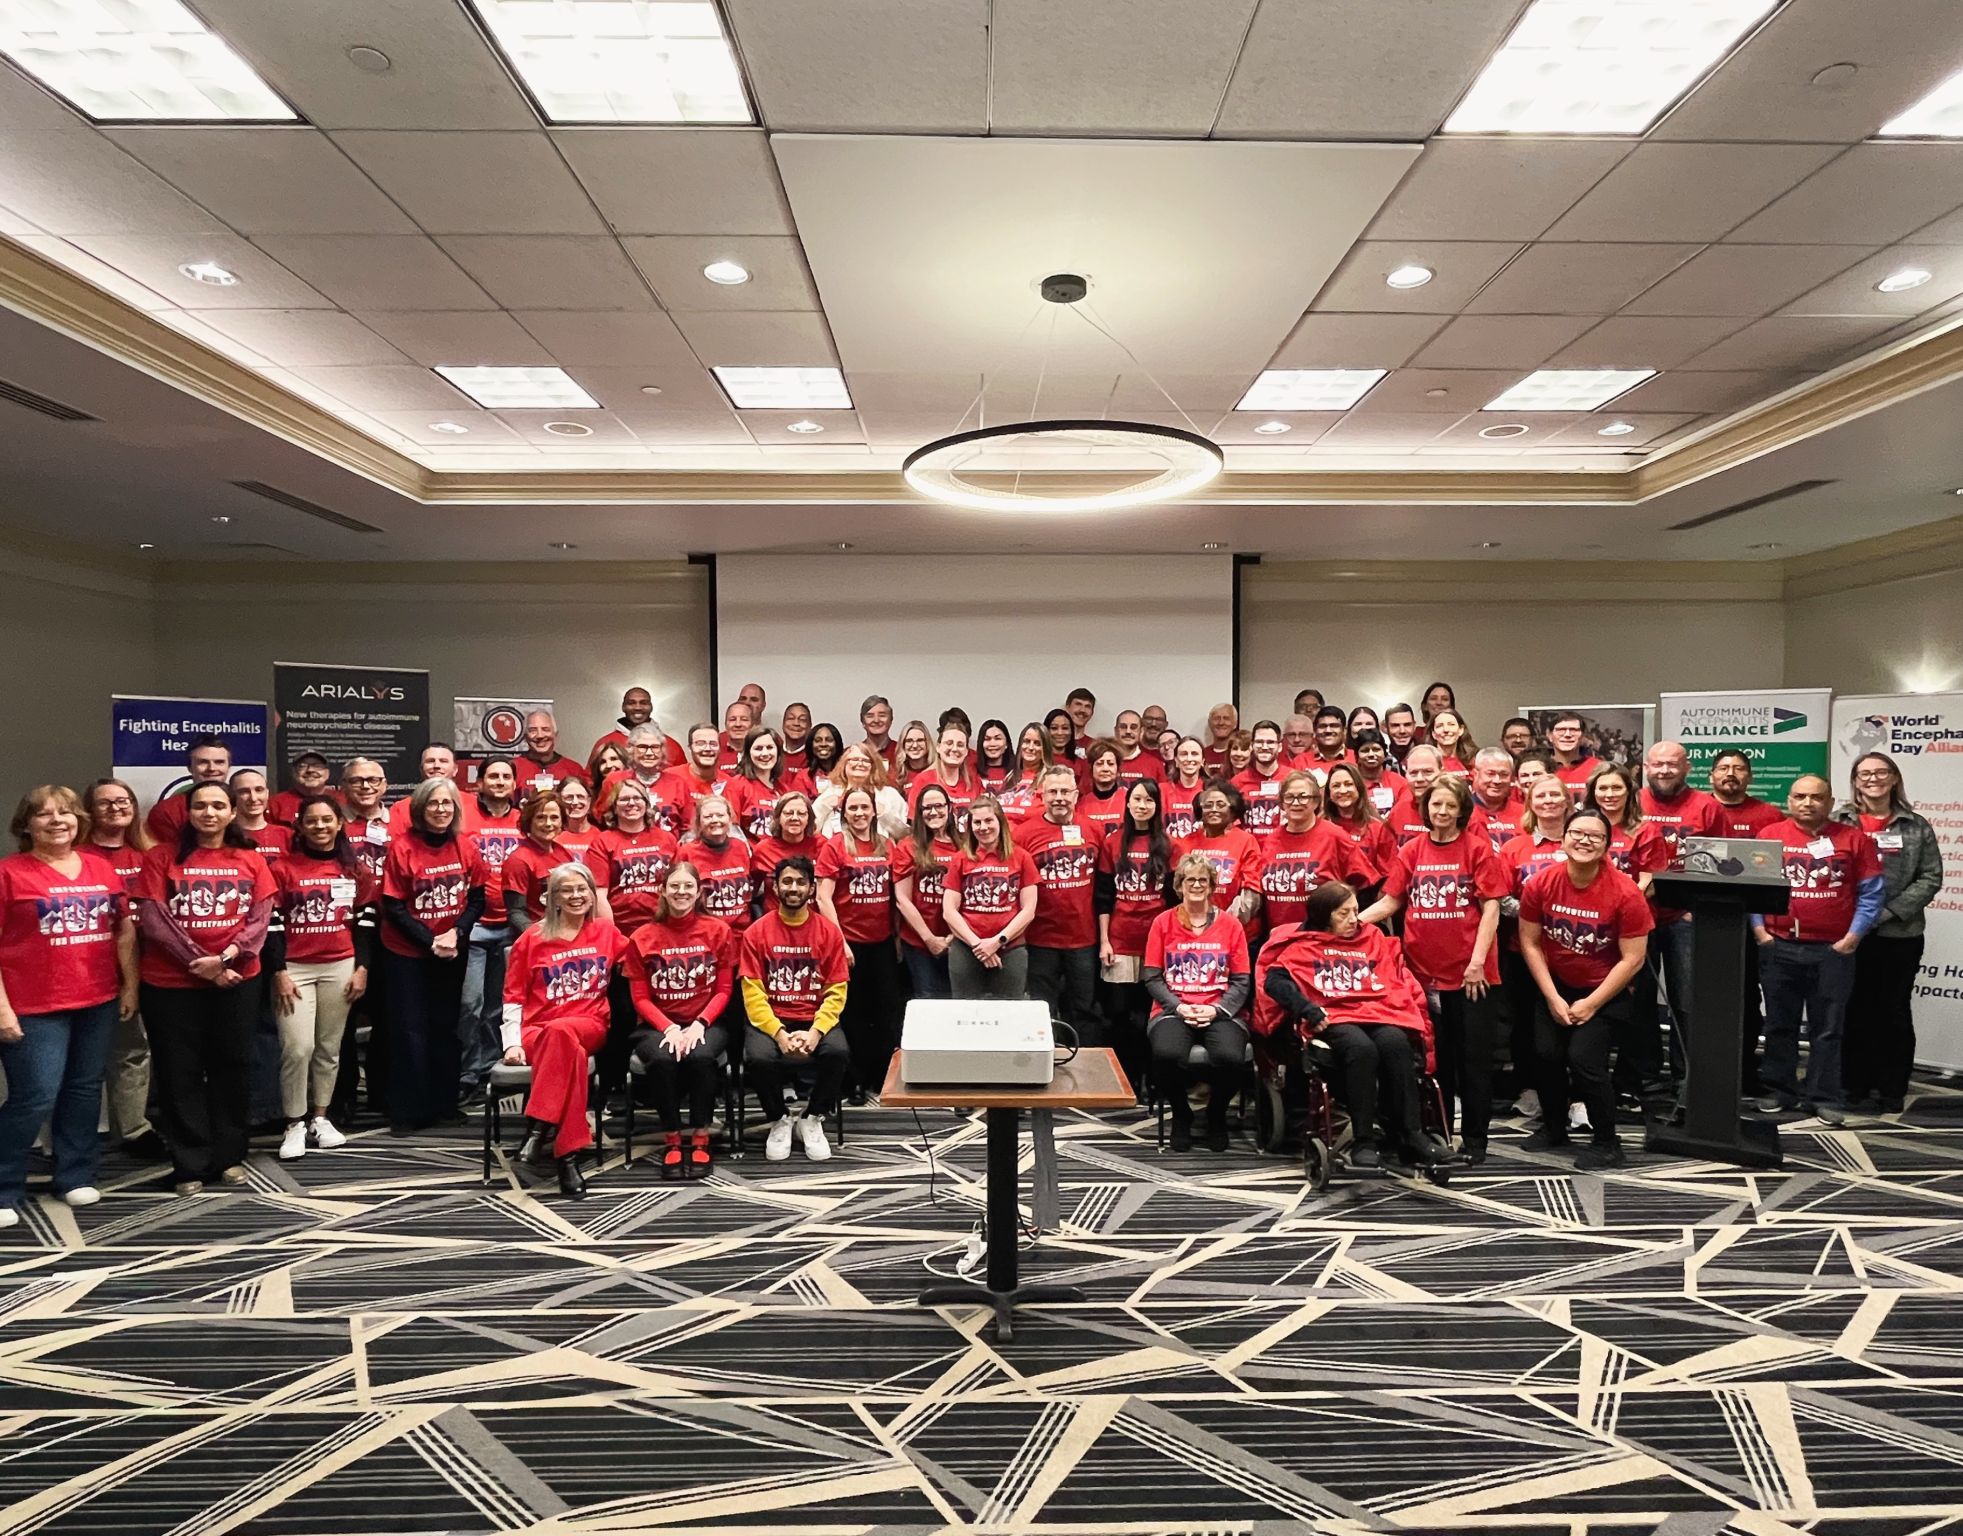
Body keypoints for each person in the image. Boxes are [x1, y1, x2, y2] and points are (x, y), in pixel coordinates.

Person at [0, 786, 138, 1225]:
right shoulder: (9, 873)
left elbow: (123, 930)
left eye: (66, 813)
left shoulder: (100, 867)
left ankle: (75, 1174)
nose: (57, 821)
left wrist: (130, 986)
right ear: (26, 825)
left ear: (79, 820)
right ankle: (4, 1186)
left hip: (97, 999)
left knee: (83, 1089)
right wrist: (1, 1009)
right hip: (32, 1005)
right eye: (44, 814)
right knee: (35, 1095)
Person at [134, 781, 276, 1193]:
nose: (209, 813)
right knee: (179, 1072)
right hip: (171, 985)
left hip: (237, 980)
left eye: (217, 806)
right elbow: (155, 920)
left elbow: (259, 920)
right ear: (188, 812)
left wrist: (226, 959)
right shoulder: (161, 857)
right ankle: (190, 1163)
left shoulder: (251, 859)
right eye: (200, 806)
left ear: (232, 812)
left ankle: (229, 1157)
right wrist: (203, 965)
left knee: (233, 1067)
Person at [1361, 775, 1506, 1162]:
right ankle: (1440, 1135)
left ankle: (1475, 1141)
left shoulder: (1478, 849)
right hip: (1422, 975)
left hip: (1471, 976)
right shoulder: (1411, 850)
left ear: (1461, 811)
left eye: (1449, 805)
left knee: (1473, 1063)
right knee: (1434, 1061)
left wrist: (1477, 962)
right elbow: (1391, 902)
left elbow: (1492, 908)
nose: (1441, 811)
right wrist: (1345, 924)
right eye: (1435, 804)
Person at [1256, 881, 1451, 1169]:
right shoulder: (1303, 943)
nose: (1353, 919)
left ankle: (1411, 1134)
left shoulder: (1371, 937)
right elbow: (1274, 982)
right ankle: (1364, 1139)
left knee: (1397, 1043)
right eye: (1343, 913)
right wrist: (1308, 1010)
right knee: (1361, 1049)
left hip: (1378, 1011)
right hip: (1334, 1015)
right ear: (1324, 915)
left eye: (1355, 911)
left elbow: (1394, 976)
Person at [1519, 808, 1654, 1168]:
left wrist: (1592, 1003)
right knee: (1545, 1055)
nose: (1584, 841)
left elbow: (1633, 959)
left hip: (1606, 990)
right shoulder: (1541, 883)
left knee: (1584, 1060)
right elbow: (1530, 942)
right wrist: (1552, 996)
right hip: (1556, 985)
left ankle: (1608, 1142)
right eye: (1577, 833)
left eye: (1595, 836)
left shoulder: (1626, 893)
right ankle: (1554, 1128)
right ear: (1562, 839)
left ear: (1607, 846)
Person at [1754, 775, 1884, 1125]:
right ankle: (1780, 1089)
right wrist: (1760, 931)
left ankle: (1823, 1096)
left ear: (1830, 802)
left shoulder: (1854, 839)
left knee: (1827, 1028)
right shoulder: (1769, 836)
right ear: (1789, 800)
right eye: (1800, 796)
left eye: (1816, 797)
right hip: (1779, 945)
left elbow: (1872, 893)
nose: (1807, 803)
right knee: (1779, 1023)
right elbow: (1754, 888)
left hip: (1832, 950)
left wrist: (1852, 938)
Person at [501, 862, 622, 1199]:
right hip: (537, 1032)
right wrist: (511, 1043)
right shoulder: (532, 938)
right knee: (570, 1051)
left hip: (589, 1024)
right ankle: (566, 1157)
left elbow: (642, 960)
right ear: (552, 898)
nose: (575, 896)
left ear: (592, 895)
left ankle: (538, 1129)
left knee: (565, 1034)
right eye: (566, 890)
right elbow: (513, 995)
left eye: (582, 889)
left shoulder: (607, 933)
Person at [266, 795, 374, 1160]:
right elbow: (272, 925)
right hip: (294, 967)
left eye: (327, 819)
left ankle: (320, 1118)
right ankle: (294, 1122)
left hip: (340, 964)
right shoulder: (282, 867)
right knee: (298, 1048)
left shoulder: (354, 868)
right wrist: (279, 971)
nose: (320, 826)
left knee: (329, 1048)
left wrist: (362, 967)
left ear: (339, 824)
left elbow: (366, 920)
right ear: (300, 826)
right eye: (312, 820)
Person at [1838, 753, 1944, 1114]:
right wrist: (1854, 917)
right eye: (1864, 773)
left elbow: (1930, 877)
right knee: (1852, 1008)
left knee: (1892, 1011)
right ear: (1855, 780)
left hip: (1899, 934)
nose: (1873, 779)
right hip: (1847, 932)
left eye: (1881, 772)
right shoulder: (1839, 821)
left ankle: (1891, 1087)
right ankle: (1852, 1083)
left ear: (1894, 778)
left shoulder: (1916, 825)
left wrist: (1883, 914)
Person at [379, 777, 484, 1137]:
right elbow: (393, 905)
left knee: (446, 1028)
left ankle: (444, 1105)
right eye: (434, 803)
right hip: (407, 952)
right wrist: (431, 941)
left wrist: (457, 933)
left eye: (447, 803)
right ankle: (408, 1111)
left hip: (452, 949)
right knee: (410, 1031)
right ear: (420, 809)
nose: (441, 809)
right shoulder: (402, 847)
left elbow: (477, 899)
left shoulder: (465, 846)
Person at [624, 860, 736, 1178]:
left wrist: (699, 1023)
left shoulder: (719, 931)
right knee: (663, 1058)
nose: (681, 892)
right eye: (674, 885)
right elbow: (640, 998)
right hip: (656, 1026)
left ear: (699, 892)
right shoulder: (642, 937)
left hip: (706, 1022)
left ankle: (700, 1136)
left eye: (688, 886)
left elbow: (724, 990)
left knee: (701, 1056)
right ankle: (672, 1138)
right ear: (662, 890)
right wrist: (670, 1028)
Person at [741, 857, 850, 1161]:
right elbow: (753, 993)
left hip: (813, 1017)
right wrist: (778, 1034)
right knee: (758, 1057)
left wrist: (816, 1032)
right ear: (775, 888)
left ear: (812, 888)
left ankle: (812, 1117)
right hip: (772, 1019)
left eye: (801, 882)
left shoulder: (828, 932)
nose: (794, 888)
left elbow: (837, 991)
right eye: (787, 881)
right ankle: (779, 1118)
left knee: (838, 1052)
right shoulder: (756, 932)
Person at [1143, 852, 1252, 1151]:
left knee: (1230, 1058)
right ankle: (1182, 1114)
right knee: (1166, 1055)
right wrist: (1178, 1007)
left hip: (1220, 1009)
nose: (1196, 885)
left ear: (1212, 885)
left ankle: (1216, 1115)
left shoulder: (1231, 925)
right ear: (1179, 885)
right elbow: (1152, 978)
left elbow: (1242, 981)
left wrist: (1216, 1010)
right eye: (1190, 880)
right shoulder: (1162, 923)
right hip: (1174, 1009)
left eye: (1203, 880)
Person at [84, 777, 160, 1158]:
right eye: (105, 802)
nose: (116, 808)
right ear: (89, 811)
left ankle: (135, 1127)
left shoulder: (147, 855)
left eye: (123, 801)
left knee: (138, 1052)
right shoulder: (80, 857)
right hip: (98, 969)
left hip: (154, 966)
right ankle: (115, 1132)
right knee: (105, 1055)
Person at [1498, 775, 1580, 1126]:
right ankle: (1530, 1089)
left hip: (1576, 952)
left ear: (1566, 801)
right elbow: (1501, 897)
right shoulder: (1514, 848)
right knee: (1526, 1026)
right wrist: (1539, 915)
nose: (1548, 801)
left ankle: (1577, 1095)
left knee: (1575, 1024)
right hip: (1525, 951)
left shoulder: (1581, 841)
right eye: (1540, 795)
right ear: (1530, 803)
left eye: (1554, 795)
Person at [817, 785, 907, 1098]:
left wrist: (897, 938)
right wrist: (840, 943)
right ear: (844, 813)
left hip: (882, 942)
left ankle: (880, 1077)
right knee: (852, 1013)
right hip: (849, 943)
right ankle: (853, 1080)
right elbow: (823, 898)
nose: (859, 813)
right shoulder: (835, 846)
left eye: (864, 807)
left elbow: (895, 897)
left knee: (884, 1012)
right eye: (852, 808)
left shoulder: (887, 845)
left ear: (873, 811)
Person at [1015, 765, 1103, 1045]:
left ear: (1076, 795)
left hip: (1084, 939)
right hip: (1041, 939)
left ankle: (1086, 1064)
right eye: (1053, 791)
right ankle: (1045, 1063)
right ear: (1042, 795)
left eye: (1065, 791)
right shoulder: (1023, 835)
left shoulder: (1094, 829)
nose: (1059, 798)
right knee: (1042, 1010)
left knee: (1085, 1009)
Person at [1096, 780, 1175, 1088]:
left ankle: (1149, 1080)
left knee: (1148, 1013)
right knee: (1118, 1013)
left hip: (1156, 942)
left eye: (1149, 800)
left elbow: (1174, 900)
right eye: (1137, 799)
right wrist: (1104, 941)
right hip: (1119, 940)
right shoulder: (1112, 842)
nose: (1142, 805)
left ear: (1157, 806)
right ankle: (1122, 1079)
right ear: (1127, 803)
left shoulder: (1169, 845)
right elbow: (1104, 896)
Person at [457, 757, 522, 1098]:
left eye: (506, 776)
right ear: (479, 783)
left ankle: (492, 1070)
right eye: (492, 776)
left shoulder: (524, 820)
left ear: (514, 784)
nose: (499, 781)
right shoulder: (465, 818)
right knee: (470, 1004)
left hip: (510, 926)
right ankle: (468, 1073)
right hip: (475, 925)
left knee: (498, 1007)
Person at [944, 794, 1040, 1001]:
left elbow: (1029, 910)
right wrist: (978, 946)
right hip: (967, 948)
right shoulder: (960, 859)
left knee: (1008, 1011)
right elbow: (949, 911)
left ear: (1000, 822)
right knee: (965, 1012)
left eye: (989, 820)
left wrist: (997, 942)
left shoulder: (1022, 857)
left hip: (1010, 947)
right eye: (977, 822)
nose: (983, 827)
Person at [1259, 772, 1374, 934]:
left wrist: (1349, 922)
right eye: (1289, 797)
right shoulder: (1271, 839)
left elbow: (1366, 884)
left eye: (1303, 797)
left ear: (1316, 801)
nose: (1296, 803)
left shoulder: (1335, 836)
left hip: (1323, 938)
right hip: (1280, 936)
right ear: (1282, 803)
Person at [584, 777, 678, 938]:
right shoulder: (602, 842)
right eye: (624, 799)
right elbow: (599, 894)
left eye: (637, 798)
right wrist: (613, 935)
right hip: (622, 927)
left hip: (663, 926)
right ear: (614, 807)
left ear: (646, 804)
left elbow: (678, 885)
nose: (631, 803)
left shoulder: (667, 839)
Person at [895, 783, 962, 1000]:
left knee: (958, 1001)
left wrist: (954, 936)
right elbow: (902, 899)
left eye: (939, 806)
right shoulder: (908, 846)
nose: (934, 812)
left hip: (959, 939)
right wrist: (929, 939)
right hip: (919, 941)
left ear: (949, 808)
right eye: (927, 808)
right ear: (919, 812)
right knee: (927, 1000)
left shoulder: (965, 844)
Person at [1181, 783, 1263, 926]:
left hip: (1235, 928)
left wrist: (1221, 926)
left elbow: (1251, 895)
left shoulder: (1246, 841)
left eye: (1220, 805)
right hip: (1193, 927)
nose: (1214, 809)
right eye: (1208, 805)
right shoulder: (1187, 842)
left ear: (1232, 810)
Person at [500, 791, 577, 934]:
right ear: (529, 821)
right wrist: (537, 937)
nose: (548, 824)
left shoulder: (565, 854)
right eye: (541, 817)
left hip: (566, 932)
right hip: (537, 935)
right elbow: (516, 913)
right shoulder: (518, 860)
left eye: (554, 817)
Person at [678, 794, 755, 935]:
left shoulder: (741, 847)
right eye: (708, 817)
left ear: (730, 819)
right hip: (706, 934)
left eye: (720, 815)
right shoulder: (687, 852)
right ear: (699, 822)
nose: (715, 820)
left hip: (742, 933)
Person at [1323, 763, 1399, 894]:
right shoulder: (1321, 826)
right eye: (1336, 786)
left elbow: (1388, 877)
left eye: (1348, 784)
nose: (1343, 790)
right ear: (1329, 793)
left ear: (1359, 788)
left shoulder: (1378, 829)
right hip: (1328, 898)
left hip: (1369, 900)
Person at [720, 727, 804, 844]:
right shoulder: (736, 785)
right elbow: (730, 829)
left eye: (769, 748)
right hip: (749, 853)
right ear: (748, 753)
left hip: (781, 852)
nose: (765, 753)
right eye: (758, 748)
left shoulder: (784, 790)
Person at [144, 735, 234, 843]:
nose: (212, 768)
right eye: (203, 762)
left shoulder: (244, 804)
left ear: (229, 766)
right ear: (190, 767)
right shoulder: (167, 811)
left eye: (219, 762)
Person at [812, 743, 908, 840]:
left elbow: (904, 834)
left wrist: (885, 815)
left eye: (866, 761)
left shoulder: (890, 795)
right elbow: (810, 829)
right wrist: (823, 807)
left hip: (878, 849)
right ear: (844, 764)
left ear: (874, 766)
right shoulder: (830, 792)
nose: (860, 764)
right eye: (854, 759)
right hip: (836, 848)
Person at [751, 791, 820, 915]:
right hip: (775, 919)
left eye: (801, 813)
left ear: (809, 818)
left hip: (813, 919)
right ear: (778, 817)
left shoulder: (822, 846)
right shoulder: (763, 850)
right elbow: (751, 891)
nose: (795, 818)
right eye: (788, 813)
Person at [906, 722, 981, 824]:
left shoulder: (974, 782)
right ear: (938, 747)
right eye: (949, 743)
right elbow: (914, 823)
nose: (954, 749)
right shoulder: (923, 780)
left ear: (966, 751)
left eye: (960, 745)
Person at [589, 686, 682, 768]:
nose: (638, 707)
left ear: (651, 707)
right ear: (623, 707)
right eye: (631, 703)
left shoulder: (671, 745)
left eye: (643, 703)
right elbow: (590, 780)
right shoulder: (604, 744)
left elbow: (683, 780)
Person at [1231, 720, 1290, 843]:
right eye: (1259, 742)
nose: (1264, 747)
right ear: (1252, 746)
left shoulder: (1292, 779)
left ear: (1280, 747)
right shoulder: (1237, 782)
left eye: (1270, 742)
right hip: (1249, 849)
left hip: (1282, 848)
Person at [387, 741, 460, 834]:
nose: (436, 766)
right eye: (430, 761)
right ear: (421, 769)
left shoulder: (474, 804)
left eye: (443, 761)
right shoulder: (400, 809)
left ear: (455, 769)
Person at [229, 769, 292, 871]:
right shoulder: (224, 835)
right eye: (244, 792)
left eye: (259, 790)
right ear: (232, 796)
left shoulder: (287, 835)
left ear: (267, 793)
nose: (253, 798)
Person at [1710, 749, 1783, 836]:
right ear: (1711, 777)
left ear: (1750, 777)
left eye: (1738, 769)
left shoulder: (1771, 816)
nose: (1730, 773)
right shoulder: (1698, 811)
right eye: (1723, 768)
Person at [338, 759, 390, 880]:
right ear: (343, 786)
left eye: (373, 780)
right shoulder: (333, 825)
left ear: (385, 785)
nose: (365, 786)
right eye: (356, 781)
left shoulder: (402, 821)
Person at [1384, 743, 1445, 844]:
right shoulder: (1399, 811)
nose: (1419, 779)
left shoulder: (1455, 812)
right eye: (1413, 773)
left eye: (1427, 772)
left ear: (1442, 772)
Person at [518, 711, 587, 796]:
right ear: (525, 737)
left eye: (545, 729)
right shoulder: (514, 768)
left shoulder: (574, 770)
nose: (540, 735)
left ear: (556, 735)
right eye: (533, 730)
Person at [1469, 748, 1524, 854]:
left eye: (1504, 774)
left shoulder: (1524, 813)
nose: (1497, 781)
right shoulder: (1462, 813)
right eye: (1490, 774)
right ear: (1475, 774)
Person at [997, 723, 1053, 825]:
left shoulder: (1051, 779)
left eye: (1037, 743)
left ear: (1045, 749)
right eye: (1026, 741)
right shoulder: (1010, 777)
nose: (1030, 747)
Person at [1077, 741, 1129, 836]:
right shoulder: (1081, 804)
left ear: (1118, 769)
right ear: (1091, 768)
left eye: (1110, 764)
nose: (1105, 769)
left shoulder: (1129, 799)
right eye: (1099, 764)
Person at [1350, 730, 1407, 817]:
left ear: (1385, 755)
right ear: (1356, 757)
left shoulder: (1400, 782)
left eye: (1376, 749)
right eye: (1365, 750)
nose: (1371, 754)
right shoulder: (1350, 782)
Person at [268, 752, 334, 827]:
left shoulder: (341, 801)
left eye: (317, 766)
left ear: (327, 773)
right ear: (294, 772)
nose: (310, 770)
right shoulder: (275, 804)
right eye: (302, 766)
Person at [1162, 736, 1209, 840]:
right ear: (1176, 761)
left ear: (1203, 761)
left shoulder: (1212, 791)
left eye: (1194, 754)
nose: (1189, 759)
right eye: (1184, 754)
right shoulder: (1161, 790)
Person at [1547, 713, 1601, 801]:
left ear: (1583, 736)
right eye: (1561, 730)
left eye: (1574, 730)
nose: (1567, 735)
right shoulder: (1539, 768)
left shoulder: (1598, 767)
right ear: (1549, 735)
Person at [1111, 711, 1164, 786]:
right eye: (1123, 727)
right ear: (1116, 731)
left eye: (1133, 727)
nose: (1128, 731)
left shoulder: (1155, 764)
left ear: (1141, 731)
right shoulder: (1103, 761)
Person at [1301, 707, 1351, 780]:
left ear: (1344, 731)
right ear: (1315, 731)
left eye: (1334, 726)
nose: (1328, 731)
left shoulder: (1357, 758)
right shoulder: (1301, 761)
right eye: (1322, 726)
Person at [892, 719, 934, 790]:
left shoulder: (938, 771)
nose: (915, 745)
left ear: (927, 742)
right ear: (903, 744)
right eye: (909, 741)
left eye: (920, 740)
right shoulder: (896, 774)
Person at [1043, 707, 1083, 781]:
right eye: (1054, 728)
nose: (1060, 733)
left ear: (1071, 731)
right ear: (1046, 731)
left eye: (1065, 728)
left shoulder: (1080, 763)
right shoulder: (1039, 761)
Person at [975, 719, 1015, 789]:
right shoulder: (973, 771)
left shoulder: (1016, 772)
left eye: (997, 738)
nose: (992, 744)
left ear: (1007, 744)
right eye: (987, 739)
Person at [717, 700, 757, 769]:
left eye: (744, 719)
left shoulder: (761, 751)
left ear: (752, 725)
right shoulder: (715, 750)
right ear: (726, 725)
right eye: (732, 719)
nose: (738, 724)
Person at [806, 722, 845, 793]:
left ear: (837, 744)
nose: (823, 744)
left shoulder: (847, 774)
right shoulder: (803, 776)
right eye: (818, 740)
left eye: (829, 740)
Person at [858, 694, 897, 766]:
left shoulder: (901, 752)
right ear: (863, 721)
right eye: (870, 716)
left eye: (882, 715)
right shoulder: (852, 754)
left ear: (891, 720)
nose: (876, 720)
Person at [1201, 702, 1238, 772]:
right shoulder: (1201, 755)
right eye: (1216, 718)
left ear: (1235, 723)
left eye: (1226, 718)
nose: (1221, 723)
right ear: (1209, 723)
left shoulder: (1242, 755)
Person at [779, 701, 814, 774]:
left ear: (810, 726)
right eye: (791, 718)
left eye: (802, 719)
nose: (796, 723)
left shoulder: (815, 756)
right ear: (783, 724)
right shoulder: (773, 753)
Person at [1382, 703, 1420, 768]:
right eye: (1395, 725)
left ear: (1414, 726)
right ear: (1385, 727)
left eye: (1407, 725)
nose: (1402, 731)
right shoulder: (1381, 758)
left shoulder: (1428, 754)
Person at [1065, 686, 1098, 754]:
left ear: (1092, 713)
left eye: (1087, 706)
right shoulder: (1050, 743)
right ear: (1067, 708)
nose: (1082, 710)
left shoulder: (1095, 746)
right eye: (1078, 704)